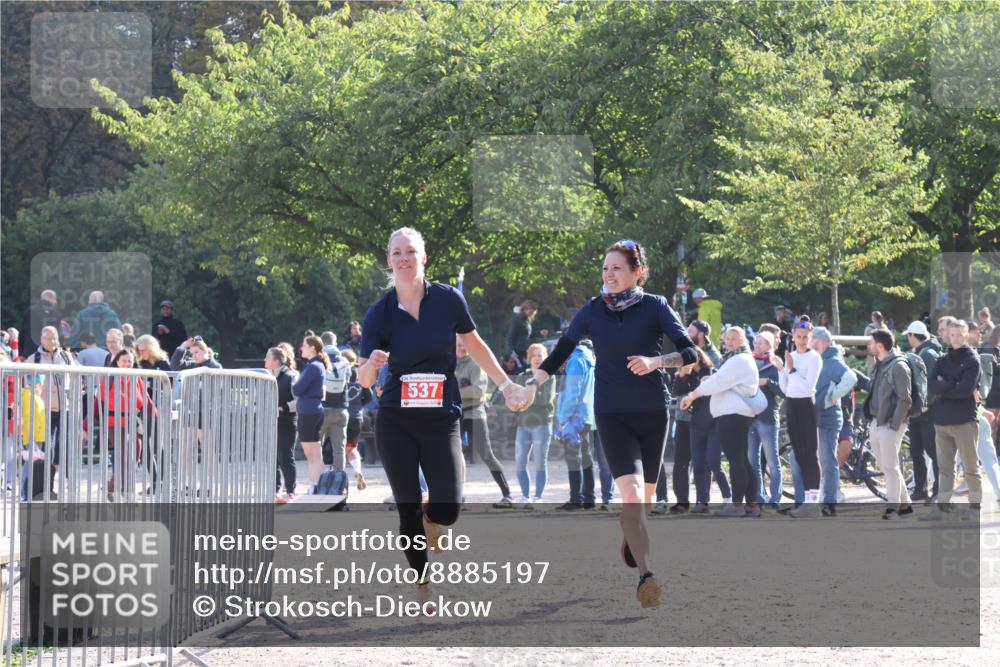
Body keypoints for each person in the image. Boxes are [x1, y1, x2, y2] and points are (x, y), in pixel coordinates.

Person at [358, 227, 528, 608]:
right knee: (406, 506)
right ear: (389, 260)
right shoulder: (379, 313)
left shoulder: (448, 300)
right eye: (397, 253)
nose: (404, 258)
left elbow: (476, 345)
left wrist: (506, 386)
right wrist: (371, 364)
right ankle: (422, 584)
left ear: (423, 257)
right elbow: (365, 379)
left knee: (449, 506)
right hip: (396, 420)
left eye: (411, 252)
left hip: (441, 419)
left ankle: (433, 519)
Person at [523, 239, 698, 608]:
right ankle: (646, 576)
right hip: (612, 413)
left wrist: (655, 362)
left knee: (642, 506)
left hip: (652, 412)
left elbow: (690, 352)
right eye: (605, 268)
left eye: (617, 268)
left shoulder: (656, 307)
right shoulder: (592, 311)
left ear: (638, 272)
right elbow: (559, 354)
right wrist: (529, 385)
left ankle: (630, 531)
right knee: (632, 495)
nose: (609, 274)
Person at [680, 326, 760, 517]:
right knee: (742, 460)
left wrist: (692, 395)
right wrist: (712, 379)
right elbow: (721, 380)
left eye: (734, 338)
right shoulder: (740, 359)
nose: (729, 342)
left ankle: (737, 506)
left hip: (732, 415)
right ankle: (750, 506)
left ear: (743, 340)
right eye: (727, 338)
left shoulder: (739, 360)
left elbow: (718, 383)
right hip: (738, 414)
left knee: (736, 460)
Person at [922, 320, 983, 521]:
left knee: (970, 468)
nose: (955, 338)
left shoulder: (972, 359)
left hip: (964, 421)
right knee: (945, 469)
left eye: (959, 335)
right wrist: (952, 385)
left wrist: (944, 385)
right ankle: (942, 509)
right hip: (942, 421)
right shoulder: (942, 359)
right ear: (948, 335)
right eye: (952, 334)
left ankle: (975, 509)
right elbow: (931, 385)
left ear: (966, 335)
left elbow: (965, 390)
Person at [860, 330, 915, 519]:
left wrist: (894, 425)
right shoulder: (880, 364)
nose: (869, 345)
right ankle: (905, 506)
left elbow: (905, 399)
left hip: (890, 424)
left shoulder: (899, 366)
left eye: (871, 342)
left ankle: (892, 508)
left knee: (890, 467)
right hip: (876, 422)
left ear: (880, 345)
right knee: (885, 466)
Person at [456, 336, 514, 507]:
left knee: (486, 455)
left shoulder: (476, 364)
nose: (462, 348)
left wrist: (454, 392)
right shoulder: (449, 364)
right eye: (459, 345)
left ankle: (507, 494)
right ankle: (458, 497)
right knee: (454, 457)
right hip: (457, 417)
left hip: (474, 416)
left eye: (464, 345)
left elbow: (478, 391)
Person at [778, 316, 823, 517]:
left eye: (806, 337)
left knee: (810, 453)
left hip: (806, 404)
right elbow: (786, 388)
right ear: (793, 337)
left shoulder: (814, 358)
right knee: (799, 453)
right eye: (799, 336)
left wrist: (792, 368)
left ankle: (813, 502)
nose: (802, 340)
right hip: (792, 405)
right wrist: (782, 369)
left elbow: (807, 387)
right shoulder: (792, 356)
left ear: (811, 338)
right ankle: (807, 499)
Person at [810, 328, 857, 515]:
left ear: (820, 341)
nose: (809, 341)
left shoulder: (833, 360)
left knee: (828, 461)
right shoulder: (819, 358)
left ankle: (829, 502)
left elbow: (851, 377)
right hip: (815, 416)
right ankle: (810, 501)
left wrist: (832, 396)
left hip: (828, 418)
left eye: (811, 338)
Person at [25, 325, 76, 494]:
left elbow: (78, 375)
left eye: (53, 338)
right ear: (41, 339)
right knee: (48, 449)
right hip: (44, 411)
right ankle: (45, 488)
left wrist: (74, 391)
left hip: (65, 409)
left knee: (63, 449)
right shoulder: (35, 358)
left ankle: (57, 486)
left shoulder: (66, 356)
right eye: (47, 338)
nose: (51, 341)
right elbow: (26, 383)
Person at [551, 340, 597, 511]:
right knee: (585, 457)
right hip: (585, 415)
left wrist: (563, 419)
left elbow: (572, 392)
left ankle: (576, 499)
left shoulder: (576, 361)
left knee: (573, 458)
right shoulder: (588, 359)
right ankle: (589, 499)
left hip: (573, 418)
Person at [511, 343, 557, 507]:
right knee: (520, 460)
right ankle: (525, 495)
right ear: (529, 358)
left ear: (545, 359)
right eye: (534, 355)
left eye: (540, 355)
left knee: (540, 461)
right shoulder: (522, 376)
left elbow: (545, 400)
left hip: (542, 424)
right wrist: (526, 397)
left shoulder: (549, 377)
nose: (537, 359)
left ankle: (538, 496)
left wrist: (527, 396)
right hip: (523, 424)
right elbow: (515, 399)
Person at [98, 349, 148, 499]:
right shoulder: (110, 378)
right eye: (124, 360)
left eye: (130, 361)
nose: (127, 364)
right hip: (115, 422)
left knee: (134, 457)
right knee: (123, 456)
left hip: (134, 420)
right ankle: (128, 493)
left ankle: (112, 486)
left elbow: (145, 400)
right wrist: (87, 424)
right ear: (117, 362)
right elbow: (98, 401)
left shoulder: (137, 378)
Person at [904, 320, 941, 501]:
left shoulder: (927, 354)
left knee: (933, 452)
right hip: (919, 411)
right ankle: (920, 489)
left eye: (908, 336)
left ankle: (938, 491)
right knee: (917, 451)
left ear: (912, 336)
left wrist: (926, 405)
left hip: (928, 412)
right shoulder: (921, 352)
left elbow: (932, 384)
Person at [747, 331, 785, 508]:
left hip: (768, 418)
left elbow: (783, 392)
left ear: (769, 346)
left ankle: (775, 499)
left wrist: (767, 382)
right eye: (756, 343)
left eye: (761, 343)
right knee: (752, 460)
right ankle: (758, 497)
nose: (757, 346)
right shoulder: (749, 363)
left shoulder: (776, 364)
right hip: (749, 417)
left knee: (772, 460)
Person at [292, 336, 331, 494]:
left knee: (311, 454)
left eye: (304, 345)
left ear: (313, 348)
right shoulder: (317, 365)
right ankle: (316, 485)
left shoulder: (313, 366)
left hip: (308, 412)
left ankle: (314, 486)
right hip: (314, 411)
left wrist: (295, 384)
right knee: (316, 453)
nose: (301, 348)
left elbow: (297, 390)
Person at [265, 346, 298, 503]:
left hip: (287, 422)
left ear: (276, 361)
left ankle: (291, 491)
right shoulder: (265, 377)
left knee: (285, 457)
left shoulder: (292, 376)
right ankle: (274, 491)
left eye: (268, 357)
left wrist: (283, 407)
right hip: (270, 422)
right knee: (272, 459)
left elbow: (299, 401)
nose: (265, 360)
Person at [318, 332, 354, 476]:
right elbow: (350, 378)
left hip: (322, 408)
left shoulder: (319, 359)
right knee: (339, 448)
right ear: (336, 342)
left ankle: (318, 478)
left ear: (322, 342)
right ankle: (338, 480)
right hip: (341, 409)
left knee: (317, 446)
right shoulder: (344, 361)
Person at [341, 349, 370, 490]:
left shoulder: (340, 375)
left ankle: (337, 480)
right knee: (352, 448)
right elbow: (369, 397)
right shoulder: (360, 376)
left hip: (341, 415)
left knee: (339, 448)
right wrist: (358, 407)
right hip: (357, 417)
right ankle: (358, 471)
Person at [21, 290, 62, 358]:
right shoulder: (56, 313)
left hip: (29, 352)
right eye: (55, 299)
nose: (56, 302)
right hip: (48, 353)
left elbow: (23, 332)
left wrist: (21, 352)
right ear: (51, 298)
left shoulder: (30, 310)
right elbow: (58, 335)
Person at [506, 300, 538, 369]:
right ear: (524, 309)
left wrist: (540, 333)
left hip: (524, 352)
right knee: (521, 372)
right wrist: (512, 351)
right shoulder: (517, 320)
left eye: (532, 309)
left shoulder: (527, 321)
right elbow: (510, 337)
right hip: (517, 353)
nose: (530, 311)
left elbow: (527, 336)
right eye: (528, 309)